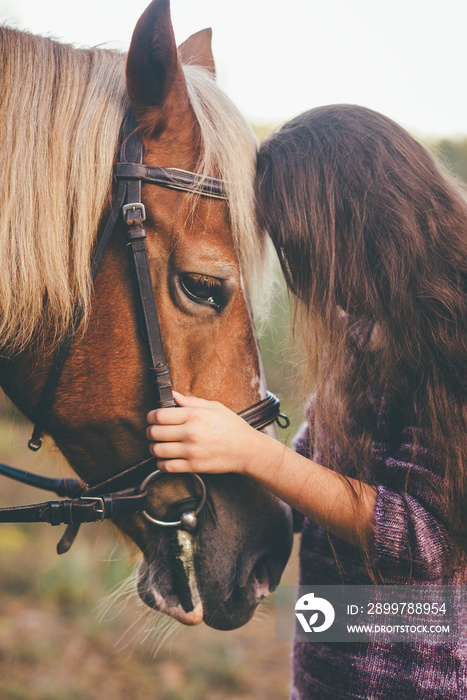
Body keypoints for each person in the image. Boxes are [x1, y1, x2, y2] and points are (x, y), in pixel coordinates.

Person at [146, 104, 467, 698]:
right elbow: (310, 480)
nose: (302, 278)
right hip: (329, 677)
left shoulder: (454, 338)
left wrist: (252, 454)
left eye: (302, 249)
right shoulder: (365, 331)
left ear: (361, 222)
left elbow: (430, 546)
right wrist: (191, 540)